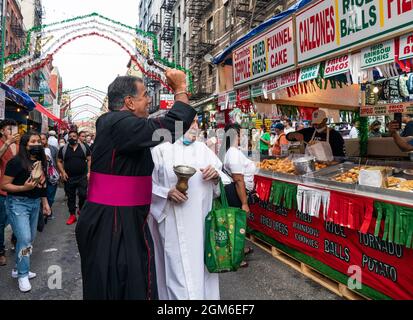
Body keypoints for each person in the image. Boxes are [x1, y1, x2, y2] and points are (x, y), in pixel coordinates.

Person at [75, 69, 196, 300]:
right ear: (129, 102)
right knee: (119, 286)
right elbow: (173, 127)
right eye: (144, 95)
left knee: (132, 283)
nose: (149, 99)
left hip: (124, 219)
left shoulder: (119, 124)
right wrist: (180, 88)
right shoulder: (119, 123)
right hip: (112, 223)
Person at [149, 117, 221, 300]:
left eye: (197, 123)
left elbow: (219, 183)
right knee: (177, 274)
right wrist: (167, 193)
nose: (195, 127)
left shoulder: (203, 150)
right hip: (172, 223)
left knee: (202, 272)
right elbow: (147, 186)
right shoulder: (160, 150)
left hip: (201, 224)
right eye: (191, 122)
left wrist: (215, 176)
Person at [1, 132, 51, 292]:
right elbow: (4, 185)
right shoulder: (15, 162)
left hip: (35, 203)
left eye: (38, 141)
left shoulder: (41, 161)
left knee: (29, 240)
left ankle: (18, 268)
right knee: (25, 238)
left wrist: (45, 203)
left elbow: (42, 184)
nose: (37, 144)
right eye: (33, 141)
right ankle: (23, 274)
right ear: (25, 145)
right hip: (17, 204)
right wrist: (24, 188)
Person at [222, 123, 256, 267]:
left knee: (236, 223)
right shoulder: (233, 152)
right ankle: (237, 258)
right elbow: (238, 180)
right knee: (236, 224)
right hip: (236, 193)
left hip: (235, 192)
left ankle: (240, 250)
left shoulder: (232, 151)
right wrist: (244, 203)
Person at [57, 130, 91, 225]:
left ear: (77, 137)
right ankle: (72, 215)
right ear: (68, 138)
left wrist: (89, 172)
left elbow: (89, 159)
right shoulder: (63, 149)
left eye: (74, 136)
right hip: (69, 177)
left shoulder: (84, 148)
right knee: (71, 197)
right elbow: (59, 161)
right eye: (70, 136)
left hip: (82, 177)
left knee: (83, 194)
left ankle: (80, 209)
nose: (72, 138)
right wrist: (62, 172)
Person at [0, 119, 20, 266]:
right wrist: (7, 143)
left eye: (14, 129)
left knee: (17, 220)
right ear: (2, 131)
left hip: (19, 188)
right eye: (9, 129)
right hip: (2, 188)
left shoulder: (19, 146)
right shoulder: (2, 144)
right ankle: (1, 251)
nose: (12, 132)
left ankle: (16, 238)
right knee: (1, 222)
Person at [40, 134, 59, 216]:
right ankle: (43, 212)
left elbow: (58, 161)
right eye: (40, 139)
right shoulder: (36, 149)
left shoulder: (54, 149)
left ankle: (48, 210)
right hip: (40, 176)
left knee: (50, 196)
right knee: (42, 196)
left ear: (47, 140)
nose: (41, 141)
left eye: (43, 139)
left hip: (52, 176)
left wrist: (60, 173)